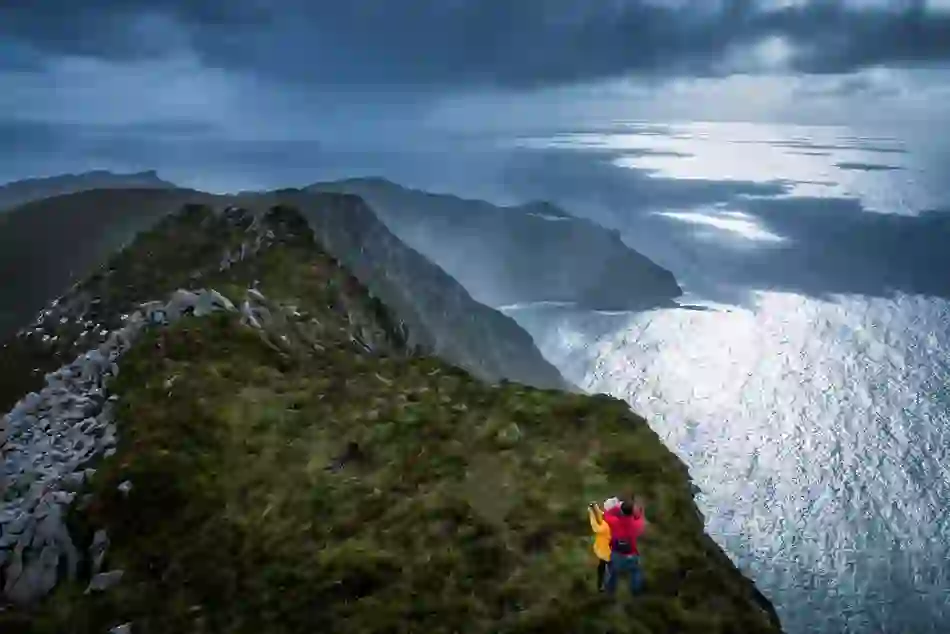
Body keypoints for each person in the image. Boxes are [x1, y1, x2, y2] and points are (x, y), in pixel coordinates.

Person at [603, 498, 646, 596]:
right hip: (631, 554)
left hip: (616, 554)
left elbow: (607, 514)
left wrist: (617, 507)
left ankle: (609, 592)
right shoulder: (637, 525)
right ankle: (636, 592)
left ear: (621, 511)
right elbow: (640, 517)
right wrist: (638, 511)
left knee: (612, 571)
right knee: (636, 571)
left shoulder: (614, 523)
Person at [588, 497, 621, 591]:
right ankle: (605, 586)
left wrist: (591, 514)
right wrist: (595, 507)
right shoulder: (614, 518)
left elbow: (596, 527)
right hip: (610, 549)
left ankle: (607, 588)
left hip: (607, 551)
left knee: (607, 569)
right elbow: (601, 516)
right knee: (605, 567)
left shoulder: (608, 524)